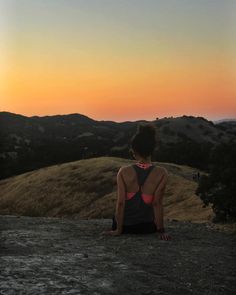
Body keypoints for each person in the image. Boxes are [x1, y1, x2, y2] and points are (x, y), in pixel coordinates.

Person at [105, 123, 171, 241]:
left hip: (125, 226)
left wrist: (118, 230)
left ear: (134, 151)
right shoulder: (162, 173)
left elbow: (120, 203)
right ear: (152, 150)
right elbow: (157, 203)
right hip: (146, 228)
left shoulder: (123, 171)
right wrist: (161, 230)